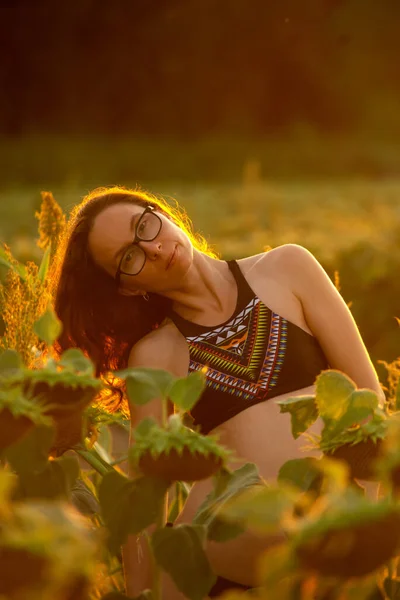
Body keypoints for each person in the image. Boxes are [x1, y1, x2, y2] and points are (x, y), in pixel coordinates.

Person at [52, 185, 385, 598]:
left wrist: (363, 504)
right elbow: (145, 495)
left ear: (165, 214)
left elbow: (370, 400)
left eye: (146, 225)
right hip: (229, 550)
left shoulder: (288, 267)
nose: (153, 248)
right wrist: (138, 590)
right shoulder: (155, 355)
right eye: (129, 258)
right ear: (127, 288)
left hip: (339, 518)